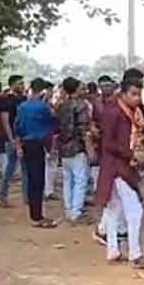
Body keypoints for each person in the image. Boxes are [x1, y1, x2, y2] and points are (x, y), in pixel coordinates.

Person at [93, 79, 144, 269]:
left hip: (117, 165)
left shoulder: (128, 111)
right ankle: (135, 255)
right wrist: (131, 155)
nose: (137, 98)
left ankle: (113, 251)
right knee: (135, 210)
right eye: (134, 94)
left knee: (113, 210)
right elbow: (108, 143)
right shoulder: (114, 112)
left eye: (139, 94)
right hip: (117, 167)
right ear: (123, 93)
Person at [15, 78, 58, 228]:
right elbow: (52, 124)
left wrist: (18, 146)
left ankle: (35, 213)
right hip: (38, 144)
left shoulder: (22, 106)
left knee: (31, 179)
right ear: (43, 91)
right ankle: (37, 216)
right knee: (38, 181)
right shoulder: (43, 107)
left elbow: (17, 127)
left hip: (26, 144)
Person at [56, 77, 93, 224]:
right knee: (80, 180)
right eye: (81, 88)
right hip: (77, 146)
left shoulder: (61, 105)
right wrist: (89, 147)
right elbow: (84, 129)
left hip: (63, 146)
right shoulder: (81, 105)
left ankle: (69, 209)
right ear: (76, 89)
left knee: (68, 180)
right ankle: (76, 212)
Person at [0, 75, 27, 208]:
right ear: (12, 85)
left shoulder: (24, 99)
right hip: (12, 138)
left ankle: (26, 197)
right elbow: (5, 121)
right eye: (20, 83)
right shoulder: (7, 101)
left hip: (24, 138)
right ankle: (2, 197)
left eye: (23, 83)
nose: (22, 86)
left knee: (25, 169)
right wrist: (11, 138)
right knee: (10, 168)